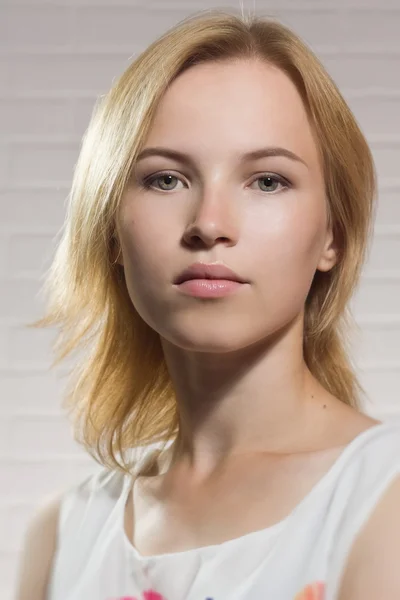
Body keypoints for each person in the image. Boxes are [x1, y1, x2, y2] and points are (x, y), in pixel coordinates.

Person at [14, 8, 400, 600]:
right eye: (166, 180)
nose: (209, 224)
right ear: (112, 229)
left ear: (334, 236)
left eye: (267, 181)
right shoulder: (62, 535)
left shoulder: (385, 499)